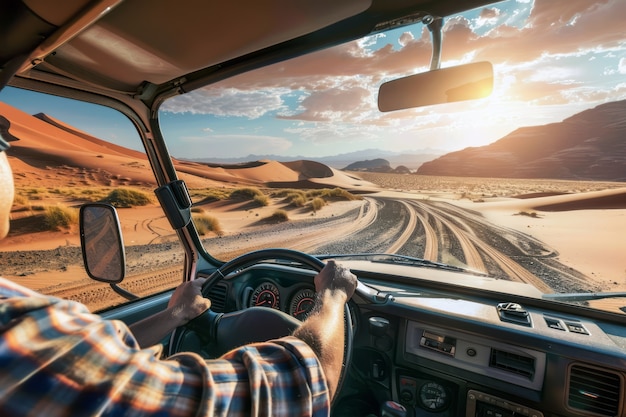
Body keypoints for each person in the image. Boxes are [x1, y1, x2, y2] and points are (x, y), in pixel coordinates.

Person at [0, 135, 358, 416]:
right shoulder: (19, 334)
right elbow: (303, 387)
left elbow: (92, 357)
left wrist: (176, 314)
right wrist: (333, 296)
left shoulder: (24, 331)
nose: (8, 159)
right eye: (3, 141)